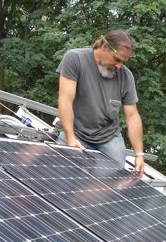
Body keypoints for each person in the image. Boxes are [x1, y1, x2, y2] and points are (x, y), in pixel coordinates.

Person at [56, 29, 144, 176]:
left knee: (110, 183)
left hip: (108, 138)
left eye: (123, 61)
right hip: (75, 132)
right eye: (117, 59)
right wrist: (70, 138)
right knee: (65, 177)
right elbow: (65, 100)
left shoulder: (125, 76)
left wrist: (139, 154)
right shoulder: (75, 59)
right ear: (104, 47)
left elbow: (132, 116)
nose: (119, 66)